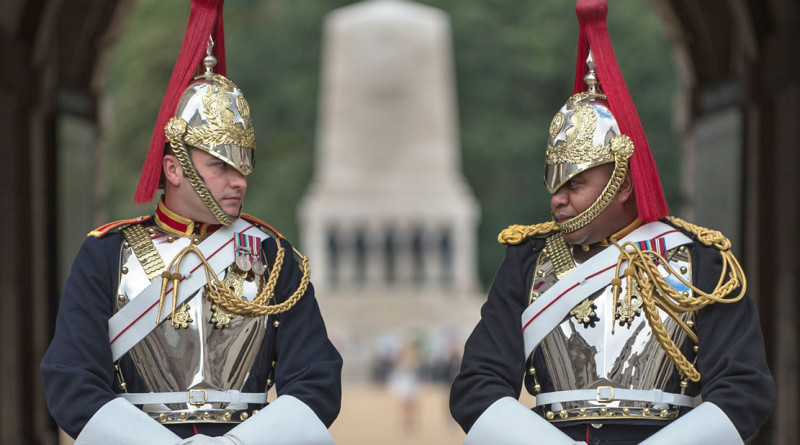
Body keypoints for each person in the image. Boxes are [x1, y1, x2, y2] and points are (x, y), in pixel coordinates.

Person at [449, 1, 774, 444]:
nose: (558, 200)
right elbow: (477, 384)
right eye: (553, 182)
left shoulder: (702, 262)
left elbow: (744, 388)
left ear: (622, 182)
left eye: (575, 183)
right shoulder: (526, 262)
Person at [40, 1, 342, 443]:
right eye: (220, 165)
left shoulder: (273, 256)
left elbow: (317, 382)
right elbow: (72, 379)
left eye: (243, 165)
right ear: (174, 168)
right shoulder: (106, 254)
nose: (238, 181)